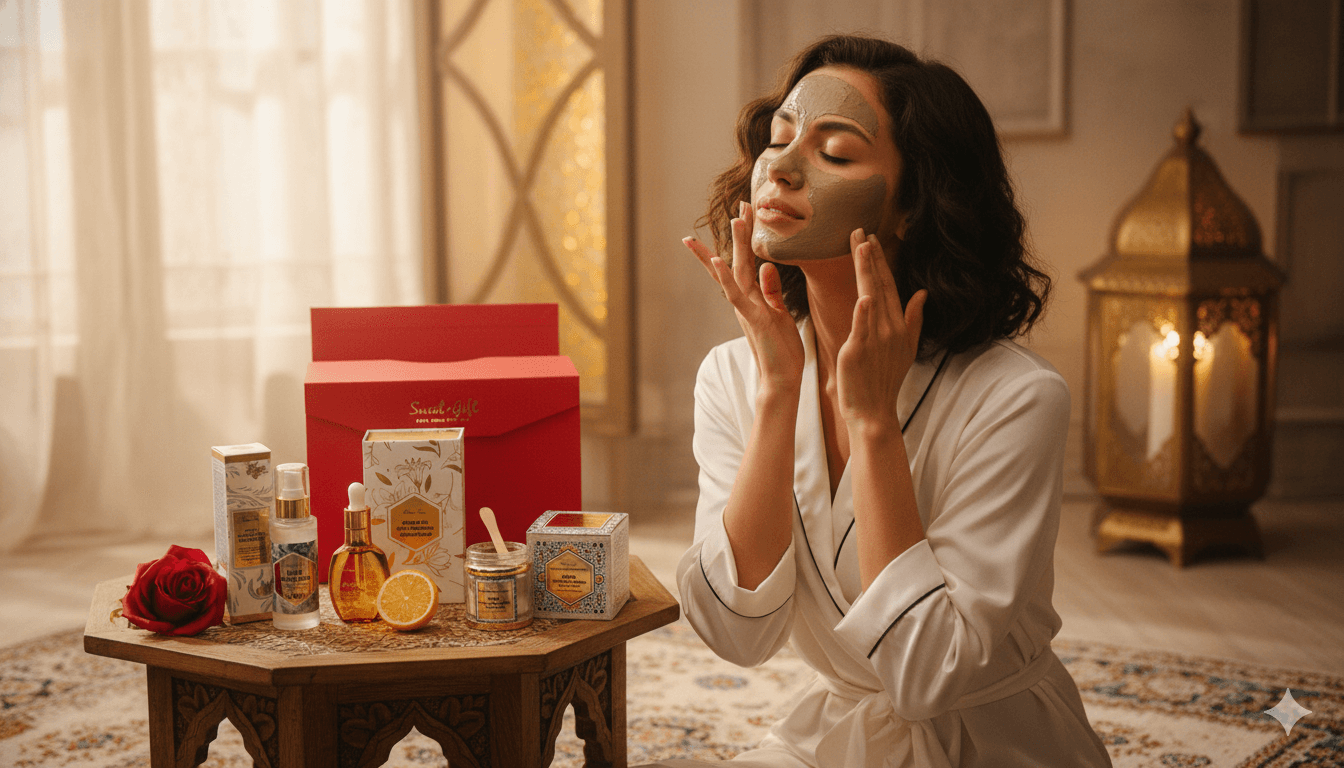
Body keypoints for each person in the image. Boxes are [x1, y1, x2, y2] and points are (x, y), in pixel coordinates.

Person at [657, 35, 1113, 767]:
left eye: (835, 152)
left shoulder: (1017, 399)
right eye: (778, 138)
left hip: (995, 745)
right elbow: (735, 635)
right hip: (832, 741)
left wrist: (873, 427)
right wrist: (779, 393)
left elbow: (929, 673)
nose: (780, 165)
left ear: (912, 207)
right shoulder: (736, 377)